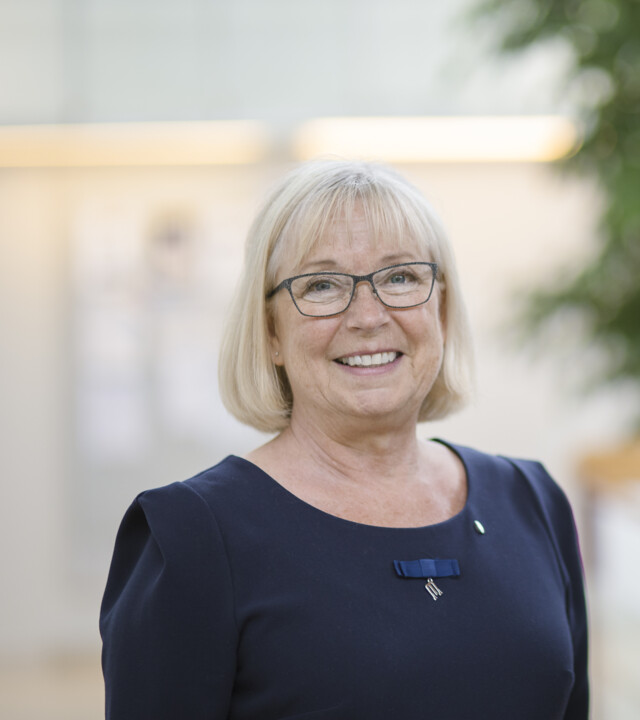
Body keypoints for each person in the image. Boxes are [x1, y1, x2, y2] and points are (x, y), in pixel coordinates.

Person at [101, 160, 588, 719]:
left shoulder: (531, 502)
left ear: (442, 308)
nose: (368, 316)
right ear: (270, 332)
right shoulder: (192, 536)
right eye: (322, 285)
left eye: (400, 277)